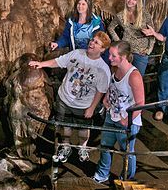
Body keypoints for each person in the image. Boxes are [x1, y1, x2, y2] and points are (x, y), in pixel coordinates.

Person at [29, 31, 111, 162]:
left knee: (83, 129)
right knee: (65, 127)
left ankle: (82, 147)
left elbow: (100, 91)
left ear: (102, 49)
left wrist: (92, 108)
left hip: (84, 104)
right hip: (64, 99)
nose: (92, 43)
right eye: (92, 40)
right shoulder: (77, 53)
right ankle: (66, 146)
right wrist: (41, 64)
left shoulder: (103, 69)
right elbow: (59, 62)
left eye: (96, 43)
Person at [93, 41, 145, 184]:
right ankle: (102, 173)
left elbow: (140, 103)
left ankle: (127, 178)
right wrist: (106, 98)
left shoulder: (134, 76)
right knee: (105, 146)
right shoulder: (114, 68)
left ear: (124, 57)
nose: (109, 58)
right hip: (112, 115)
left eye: (113, 55)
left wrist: (127, 120)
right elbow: (112, 85)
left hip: (127, 121)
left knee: (127, 151)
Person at [107, 0, 155, 76]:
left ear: (138, 1)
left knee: (137, 78)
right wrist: (119, 42)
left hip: (141, 53)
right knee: (124, 77)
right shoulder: (120, 15)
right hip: (126, 52)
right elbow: (110, 27)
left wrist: (149, 50)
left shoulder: (145, 14)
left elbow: (152, 33)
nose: (130, 1)